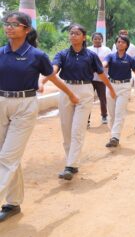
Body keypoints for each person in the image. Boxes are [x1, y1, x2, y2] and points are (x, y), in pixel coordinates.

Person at [0, 12, 78, 222]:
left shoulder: (37, 55)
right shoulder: (1, 53)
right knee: (7, 156)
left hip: (25, 106)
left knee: (7, 157)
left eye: (15, 24)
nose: (9, 27)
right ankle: (13, 202)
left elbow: (52, 77)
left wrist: (70, 94)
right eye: (7, 23)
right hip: (1, 103)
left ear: (26, 29)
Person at [44, 24, 116, 181]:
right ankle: (72, 161)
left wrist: (110, 89)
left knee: (78, 129)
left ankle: (70, 165)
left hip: (85, 90)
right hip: (65, 89)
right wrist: (46, 78)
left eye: (77, 33)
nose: (73, 36)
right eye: (71, 33)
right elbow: (54, 69)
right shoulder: (62, 54)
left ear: (83, 37)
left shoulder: (90, 56)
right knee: (66, 129)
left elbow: (101, 74)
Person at [103, 35, 135, 148]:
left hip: (124, 87)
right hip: (111, 86)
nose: (119, 43)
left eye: (122, 42)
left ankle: (115, 137)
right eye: (118, 42)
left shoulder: (130, 59)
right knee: (111, 113)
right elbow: (104, 64)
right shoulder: (110, 56)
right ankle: (113, 134)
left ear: (126, 45)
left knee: (119, 112)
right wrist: (100, 66)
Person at [87, 32, 112, 126]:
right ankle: (87, 119)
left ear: (102, 40)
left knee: (103, 98)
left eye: (99, 39)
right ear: (92, 40)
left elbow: (110, 62)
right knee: (88, 99)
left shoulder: (107, 50)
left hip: (102, 78)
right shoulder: (88, 50)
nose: (97, 40)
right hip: (90, 79)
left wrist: (102, 66)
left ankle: (104, 116)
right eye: (95, 39)